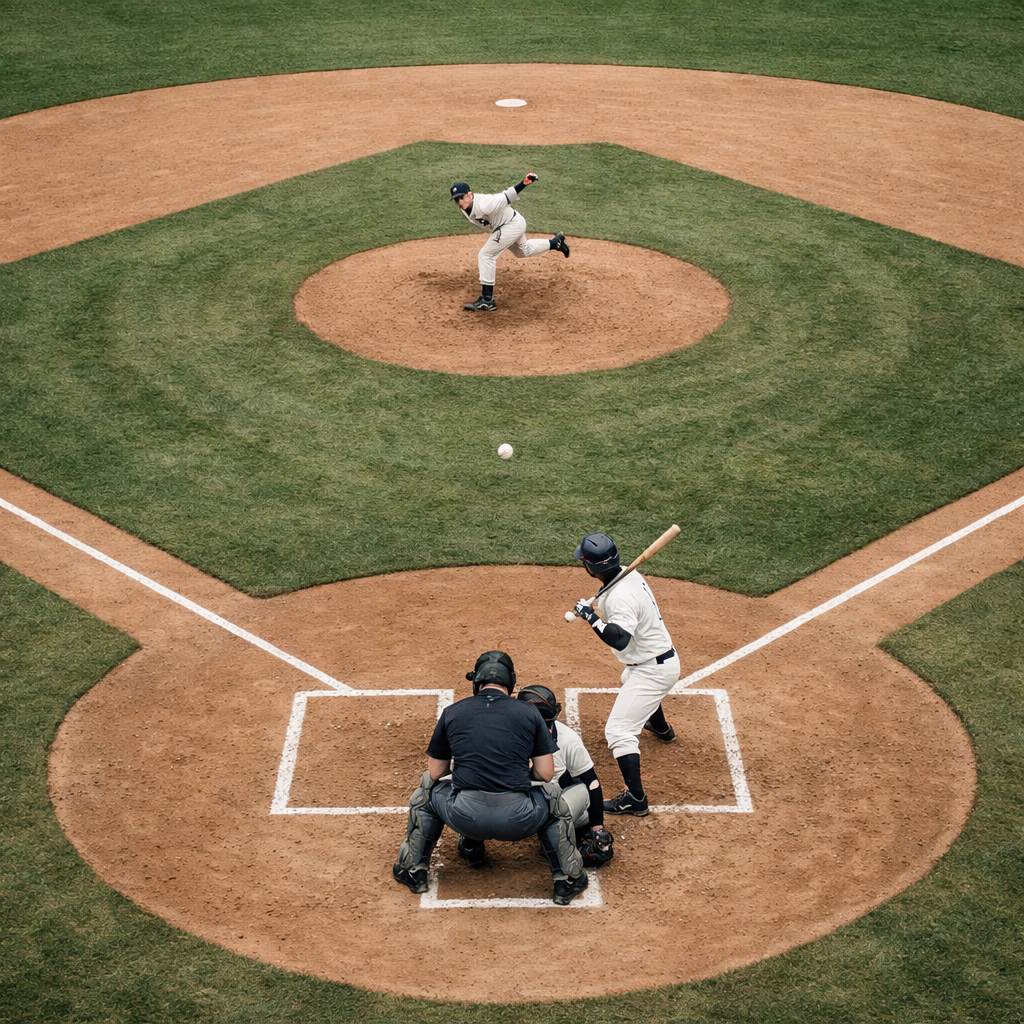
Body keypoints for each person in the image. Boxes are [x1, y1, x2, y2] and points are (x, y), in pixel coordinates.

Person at [392, 650, 589, 905]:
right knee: (553, 798)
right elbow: (545, 773)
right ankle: (567, 880)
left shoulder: (452, 712)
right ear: (511, 682)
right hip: (521, 820)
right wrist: (515, 772)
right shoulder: (529, 713)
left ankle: (413, 871)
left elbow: (436, 772)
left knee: (427, 789)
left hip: (465, 817)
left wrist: (469, 770)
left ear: (477, 682)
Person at [571, 533, 681, 817]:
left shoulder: (621, 596)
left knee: (618, 731)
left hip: (653, 670)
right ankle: (660, 728)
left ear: (590, 568)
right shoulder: (621, 577)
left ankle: (636, 799)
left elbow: (619, 639)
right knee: (628, 682)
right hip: (653, 662)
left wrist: (591, 617)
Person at [516, 684, 614, 867]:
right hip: (519, 808)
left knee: (555, 847)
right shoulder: (507, 737)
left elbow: (591, 783)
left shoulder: (568, 740)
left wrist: (597, 829)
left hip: (554, 806)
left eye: (548, 722)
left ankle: (571, 831)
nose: (546, 729)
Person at [450, 174, 570, 312]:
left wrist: (524, 183)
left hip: (510, 225)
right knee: (523, 251)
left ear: (470, 194)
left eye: (461, 197)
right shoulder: (465, 207)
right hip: (510, 223)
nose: (459, 202)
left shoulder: (485, 204)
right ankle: (556, 243)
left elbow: (506, 196)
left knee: (486, 255)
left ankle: (487, 300)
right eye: (456, 199)